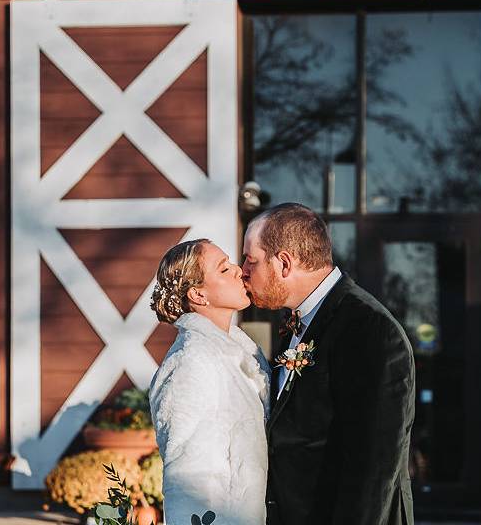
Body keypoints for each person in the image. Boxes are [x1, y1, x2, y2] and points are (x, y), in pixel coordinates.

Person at [242, 203, 415, 525]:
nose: (243, 271)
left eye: (251, 260)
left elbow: (374, 466)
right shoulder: (300, 322)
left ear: (283, 263)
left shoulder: (368, 329)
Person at [149, 239, 270, 525]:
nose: (239, 270)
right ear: (199, 294)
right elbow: (188, 480)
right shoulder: (190, 362)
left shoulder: (241, 353)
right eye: (224, 269)